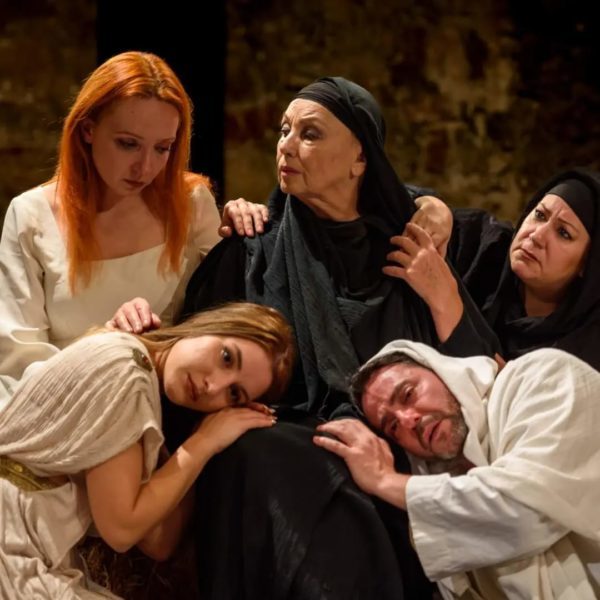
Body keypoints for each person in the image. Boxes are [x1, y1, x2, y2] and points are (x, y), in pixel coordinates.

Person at [174, 76, 500, 599]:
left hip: (405, 445)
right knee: (259, 454)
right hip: (297, 438)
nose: (286, 145)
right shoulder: (253, 252)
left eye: (310, 134)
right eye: (284, 130)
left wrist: (443, 297)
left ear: (360, 158)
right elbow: (198, 355)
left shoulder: (412, 248)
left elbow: (481, 379)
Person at [0, 51, 267, 408]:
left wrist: (251, 232)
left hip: (163, 406)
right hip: (60, 407)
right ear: (88, 130)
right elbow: (18, 362)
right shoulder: (32, 215)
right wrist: (105, 345)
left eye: (163, 148)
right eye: (128, 144)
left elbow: (226, 317)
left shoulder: (190, 204)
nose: (145, 167)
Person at [0, 302, 294, 599]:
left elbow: (159, 541)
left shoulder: (140, 382)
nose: (213, 385)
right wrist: (204, 442)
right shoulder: (129, 372)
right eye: (226, 357)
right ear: (208, 326)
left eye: (233, 394)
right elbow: (121, 529)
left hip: (27, 549)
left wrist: (198, 437)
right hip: (11, 544)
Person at [315, 339, 600, 599]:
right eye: (392, 426)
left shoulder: (542, 376)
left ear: (442, 371)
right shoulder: (437, 497)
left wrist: (383, 480)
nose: (408, 420)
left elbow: (526, 511)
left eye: (408, 394)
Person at [386, 167, 600, 369]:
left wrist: (446, 305)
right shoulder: (485, 246)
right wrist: (432, 205)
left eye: (563, 233)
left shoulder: (582, 355)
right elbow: (391, 200)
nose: (537, 235)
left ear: (588, 264)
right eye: (540, 215)